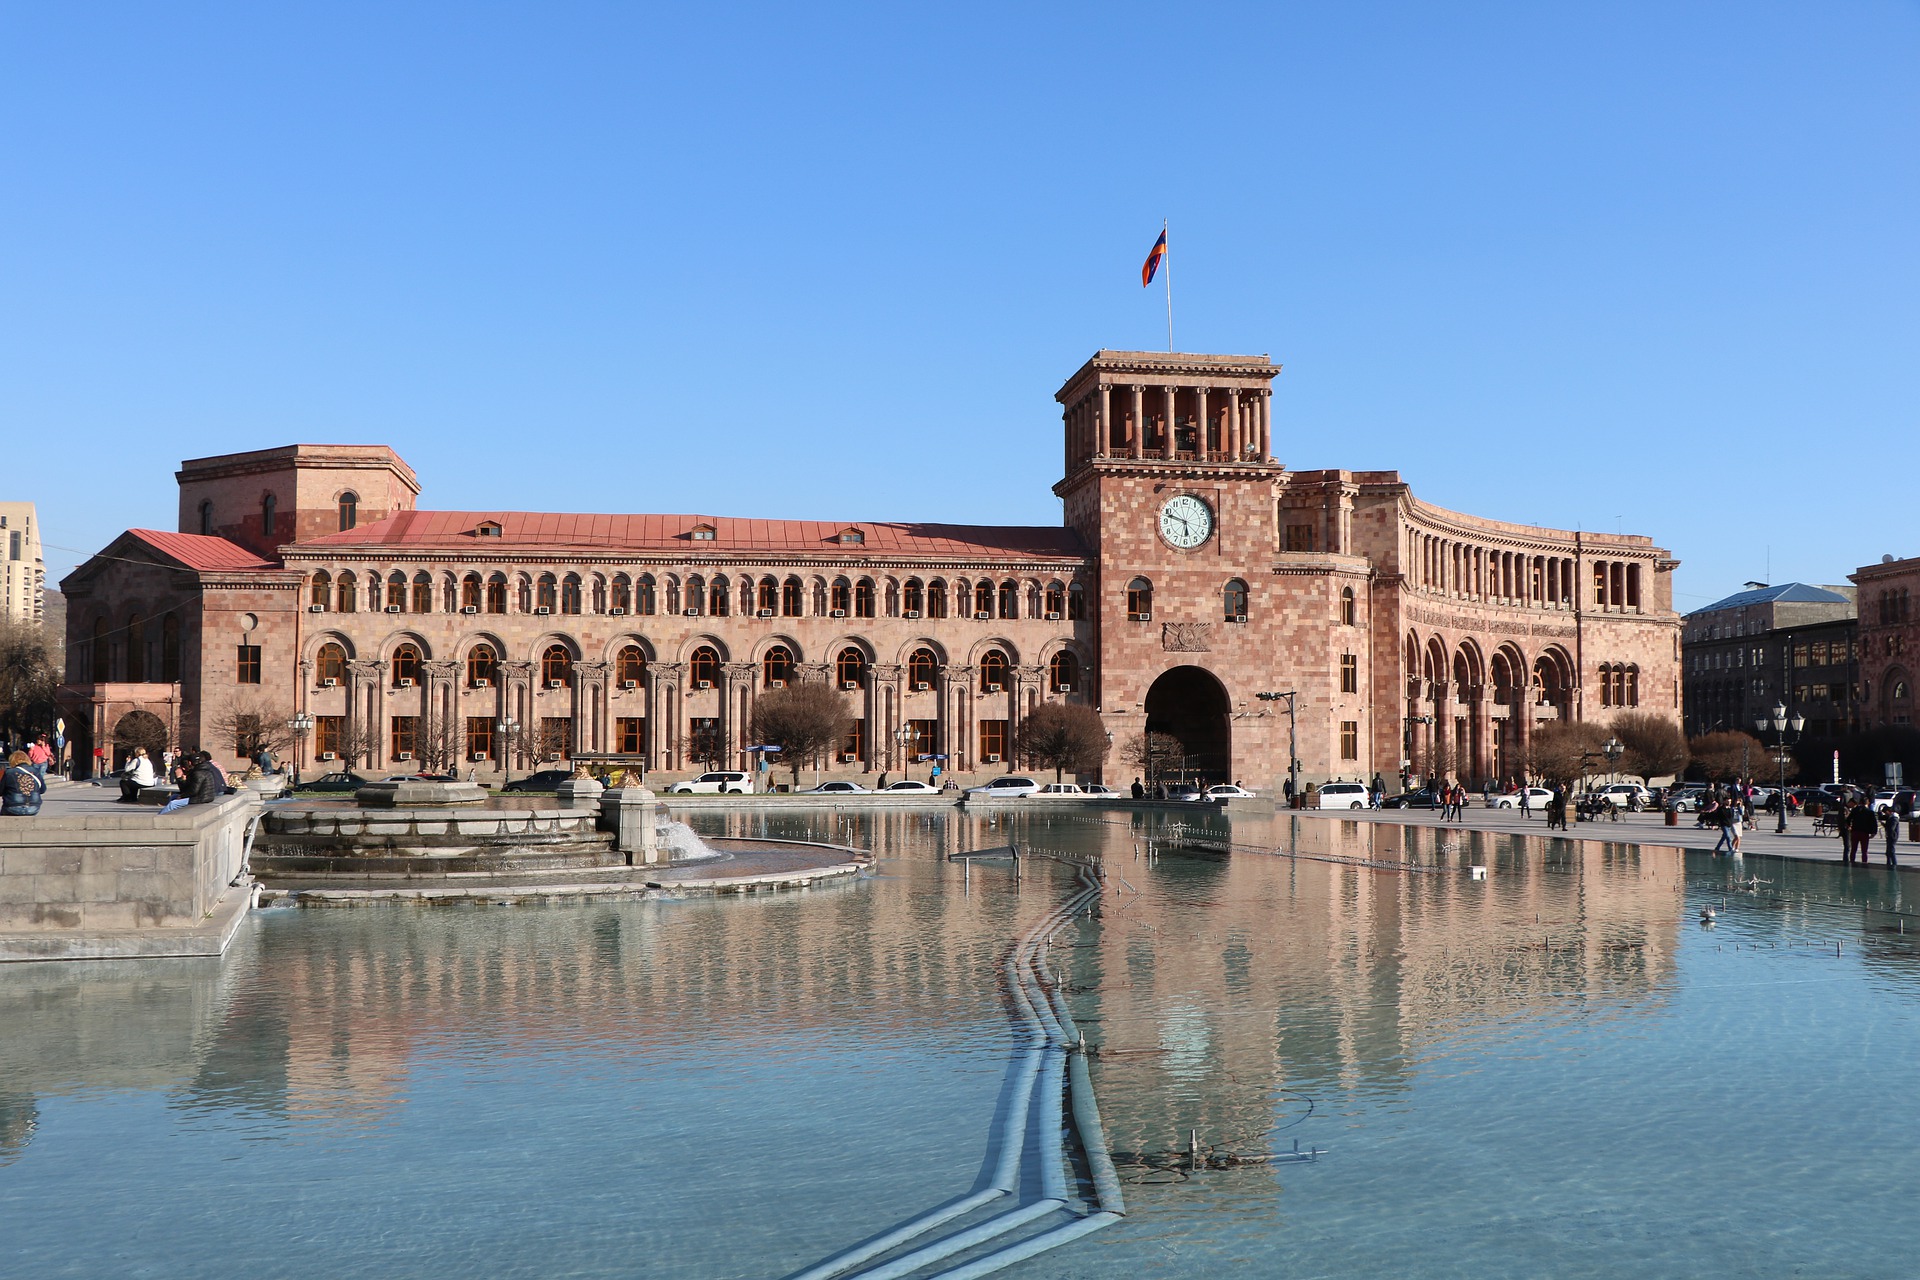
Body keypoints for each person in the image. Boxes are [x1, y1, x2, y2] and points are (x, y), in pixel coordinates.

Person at [3, 750, 44, 815]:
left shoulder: (9, 773)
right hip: (33, 807)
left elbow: (1, 790)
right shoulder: (36, 771)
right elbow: (42, 790)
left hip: (13, 806)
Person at [1846, 801, 1878, 866]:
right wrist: (1873, 832)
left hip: (1855, 831)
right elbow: (1874, 823)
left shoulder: (1855, 810)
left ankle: (1852, 862)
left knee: (1853, 849)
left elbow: (1848, 819)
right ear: (1868, 803)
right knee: (1864, 850)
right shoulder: (1870, 812)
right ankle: (1864, 863)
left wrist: (1849, 826)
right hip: (1864, 832)